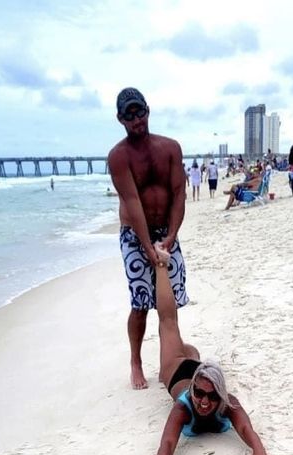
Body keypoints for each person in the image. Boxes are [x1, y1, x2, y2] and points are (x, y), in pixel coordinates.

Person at [147, 242, 274, 455]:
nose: (204, 402)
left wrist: (259, 451)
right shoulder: (183, 406)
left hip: (199, 369)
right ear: (193, 390)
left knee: (188, 349)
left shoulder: (228, 403)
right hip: (178, 371)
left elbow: (246, 429)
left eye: (212, 396)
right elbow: (168, 442)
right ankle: (161, 263)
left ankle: (189, 351)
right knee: (168, 324)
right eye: (200, 394)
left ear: (221, 395)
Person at [108, 87, 187, 390]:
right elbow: (132, 202)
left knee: (170, 304)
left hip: (166, 231)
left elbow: (179, 192)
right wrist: (146, 246)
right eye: (129, 115)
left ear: (148, 110)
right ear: (120, 119)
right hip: (133, 233)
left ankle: (170, 360)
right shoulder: (118, 157)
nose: (136, 119)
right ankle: (136, 361)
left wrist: (171, 235)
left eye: (139, 111)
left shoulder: (170, 148)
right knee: (141, 302)